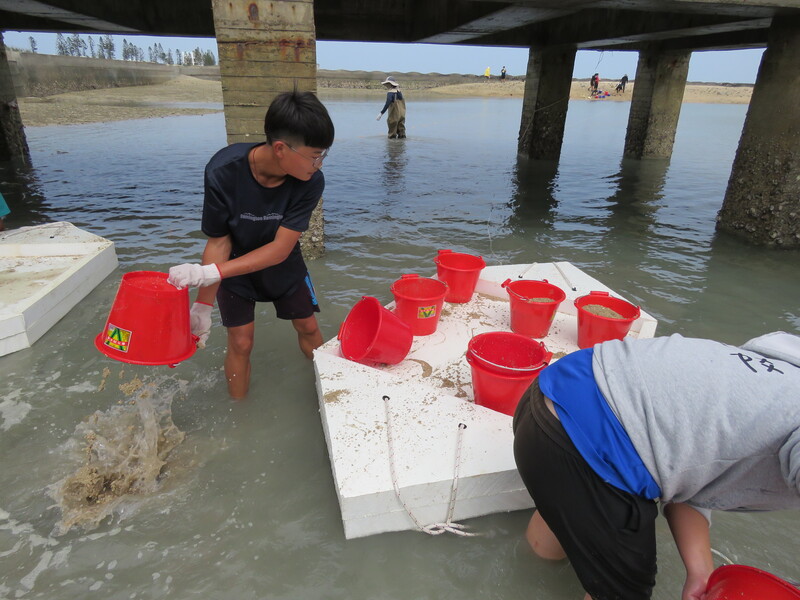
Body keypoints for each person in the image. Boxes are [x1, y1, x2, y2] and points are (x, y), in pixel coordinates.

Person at [513, 331, 800, 600]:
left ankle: (525, 574)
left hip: (550, 398)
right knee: (625, 592)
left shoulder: (780, 377)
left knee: (571, 503)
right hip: (590, 444)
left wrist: (701, 573)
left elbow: (695, 466)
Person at [168, 90, 335, 399]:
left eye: (323, 154)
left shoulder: (311, 181)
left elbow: (280, 250)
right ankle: (239, 412)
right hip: (233, 266)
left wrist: (207, 274)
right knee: (241, 342)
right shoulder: (223, 171)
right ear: (281, 149)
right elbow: (219, 241)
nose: (320, 164)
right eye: (315, 155)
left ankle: (332, 394)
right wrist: (202, 306)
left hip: (282, 265)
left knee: (308, 327)